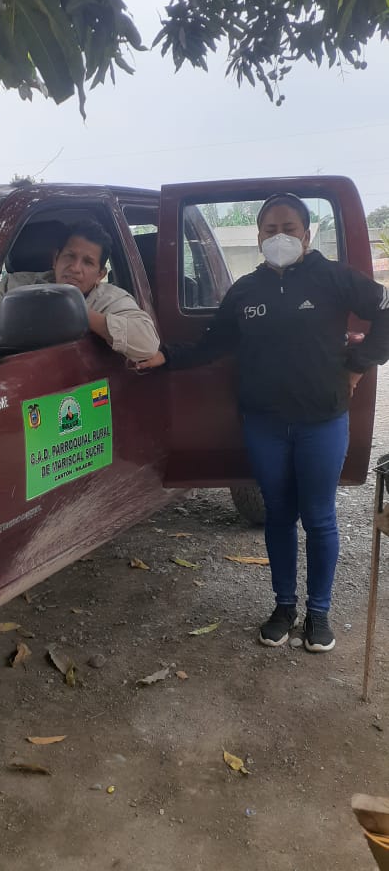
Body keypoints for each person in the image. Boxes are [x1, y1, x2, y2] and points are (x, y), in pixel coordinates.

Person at [138, 193, 389, 653]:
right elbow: (211, 344)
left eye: (289, 229)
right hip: (265, 425)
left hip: (322, 421)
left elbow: (386, 311)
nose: (279, 237)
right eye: (270, 230)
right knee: (279, 514)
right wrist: (164, 357)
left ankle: (318, 613)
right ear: (258, 238)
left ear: (307, 235)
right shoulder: (245, 291)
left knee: (319, 517)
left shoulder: (333, 278)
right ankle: (283, 607)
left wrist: (358, 365)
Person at [0, 220, 160, 362]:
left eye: (88, 262)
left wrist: (79, 313)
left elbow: (148, 344)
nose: (75, 268)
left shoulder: (111, 299)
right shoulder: (18, 284)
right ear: (55, 259)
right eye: (70, 256)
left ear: (100, 275)